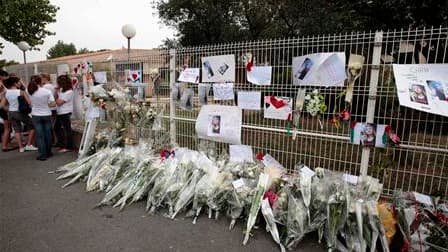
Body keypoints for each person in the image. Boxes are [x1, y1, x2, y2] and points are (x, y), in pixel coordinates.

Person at [0, 76, 37, 152]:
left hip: (11, 113)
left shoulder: (6, 92)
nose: (20, 83)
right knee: (33, 126)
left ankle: (21, 148)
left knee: (17, 130)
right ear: (15, 83)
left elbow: (2, 105)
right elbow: (29, 102)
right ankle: (29, 144)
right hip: (19, 112)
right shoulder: (21, 92)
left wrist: (9, 109)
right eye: (19, 82)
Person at [28, 75, 56, 160]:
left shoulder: (30, 91)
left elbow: (30, 103)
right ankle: (49, 152)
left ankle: (42, 154)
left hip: (36, 115)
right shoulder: (46, 91)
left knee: (40, 135)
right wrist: (46, 104)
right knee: (48, 134)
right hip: (46, 114)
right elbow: (53, 103)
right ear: (41, 81)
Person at [54, 75, 74, 153]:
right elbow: (55, 98)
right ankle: (61, 144)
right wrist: (56, 92)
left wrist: (55, 100)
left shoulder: (69, 92)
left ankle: (69, 146)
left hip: (65, 112)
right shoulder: (62, 91)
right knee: (57, 128)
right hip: (60, 112)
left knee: (67, 129)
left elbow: (59, 102)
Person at [0, 70, 14, 152]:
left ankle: (7, 144)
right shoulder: (0, 85)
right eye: (5, 76)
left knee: (7, 127)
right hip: (4, 108)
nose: (7, 77)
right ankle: (5, 146)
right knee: (7, 128)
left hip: (3, 107)